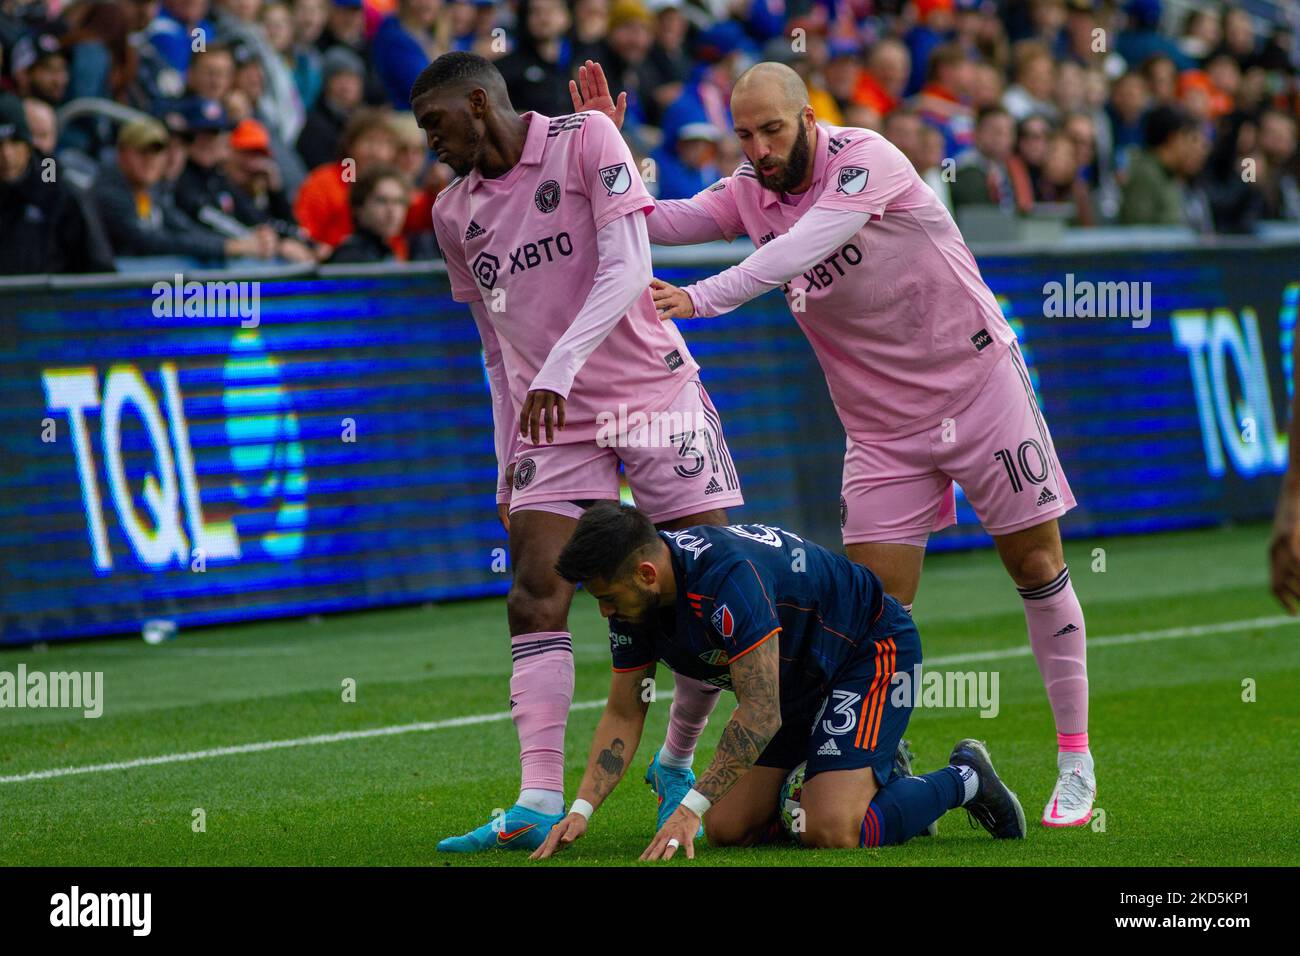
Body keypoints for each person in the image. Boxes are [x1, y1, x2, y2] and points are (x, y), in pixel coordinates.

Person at [573, 59, 1098, 827]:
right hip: (883, 430)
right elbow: (656, 220)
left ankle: (1075, 760)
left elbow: (794, 251)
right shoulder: (750, 192)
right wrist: (608, 157)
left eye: (772, 129)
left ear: (809, 119)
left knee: (1036, 564)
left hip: (978, 385)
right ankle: (888, 761)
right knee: (875, 609)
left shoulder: (868, 159)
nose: (757, 147)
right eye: (744, 134)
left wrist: (701, 298)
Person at [412, 51, 744, 853]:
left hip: (650, 394)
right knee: (534, 593)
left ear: (480, 102)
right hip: (549, 425)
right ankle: (534, 798)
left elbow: (631, 267)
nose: (432, 145)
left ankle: (676, 759)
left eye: (436, 125)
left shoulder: (587, 137)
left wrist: (558, 368)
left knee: (707, 582)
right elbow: (494, 349)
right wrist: (505, 458)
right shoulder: (453, 213)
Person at [531, 503, 1026, 859]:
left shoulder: (727, 581)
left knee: (831, 829)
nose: (603, 612)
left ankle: (966, 778)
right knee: (729, 828)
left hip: (869, 651)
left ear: (645, 573)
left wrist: (687, 807)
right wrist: (581, 809)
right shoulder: (636, 600)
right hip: (794, 681)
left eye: (607, 597)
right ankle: (866, 780)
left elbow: (760, 714)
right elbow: (624, 711)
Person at [95, 116, 273, 262]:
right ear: (122, 153)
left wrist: (234, 242)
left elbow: (183, 227)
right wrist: (227, 247)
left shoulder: (148, 193)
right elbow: (153, 241)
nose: (151, 159)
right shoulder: (109, 194)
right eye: (143, 151)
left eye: (157, 151)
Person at [0, 92, 114, 274]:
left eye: (15, 142)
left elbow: (99, 268)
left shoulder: (59, 191)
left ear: (28, 144)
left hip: (50, 301)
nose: (7, 155)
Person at [1119, 102, 1208, 226]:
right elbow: (1137, 234)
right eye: (1189, 140)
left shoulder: (1174, 176)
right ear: (1173, 139)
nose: (1193, 149)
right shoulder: (1145, 176)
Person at [326, 163, 408, 262]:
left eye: (399, 201)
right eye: (382, 201)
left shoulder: (386, 251)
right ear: (359, 208)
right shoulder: (350, 255)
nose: (392, 210)